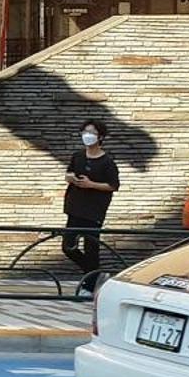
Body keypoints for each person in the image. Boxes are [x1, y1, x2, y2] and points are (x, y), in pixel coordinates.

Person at [62, 119, 120, 295]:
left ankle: (89, 285)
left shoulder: (107, 161)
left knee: (91, 247)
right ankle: (94, 273)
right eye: (85, 132)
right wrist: (72, 178)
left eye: (92, 133)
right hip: (74, 205)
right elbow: (69, 173)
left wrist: (91, 184)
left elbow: (113, 185)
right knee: (68, 246)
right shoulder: (78, 156)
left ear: (101, 137)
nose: (87, 136)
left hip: (94, 209)